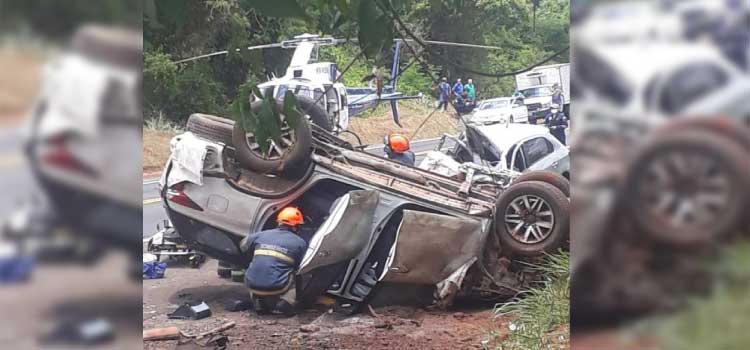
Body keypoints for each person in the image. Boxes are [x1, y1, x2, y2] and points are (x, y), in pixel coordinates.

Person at [241, 207, 308, 315]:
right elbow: (301, 265)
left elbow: (243, 245)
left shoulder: (261, 234)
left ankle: (258, 302)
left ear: (279, 222)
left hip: (251, 284)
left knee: (256, 266)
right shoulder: (300, 243)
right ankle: (287, 302)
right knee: (297, 272)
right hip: (277, 288)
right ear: (295, 227)